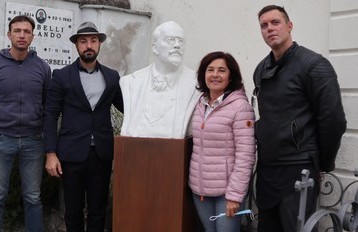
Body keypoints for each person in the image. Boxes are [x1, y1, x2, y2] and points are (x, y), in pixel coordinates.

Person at [253, 5, 347, 232]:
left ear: (289, 26)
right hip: (267, 168)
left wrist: (323, 163)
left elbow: (333, 120)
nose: (270, 29)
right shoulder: (260, 69)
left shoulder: (314, 65)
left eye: (275, 22)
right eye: (264, 25)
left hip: (299, 168)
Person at [43, 21, 123, 232]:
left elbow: (128, 108)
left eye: (93, 41)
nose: (89, 45)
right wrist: (51, 153)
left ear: (99, 44)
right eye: (83, 41)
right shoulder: (61, 76)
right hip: (70, 155)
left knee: (98, 209)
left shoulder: (112, 77)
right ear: (77, 45)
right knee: (73, 210)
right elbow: (50, 115)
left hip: (102, 154)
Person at [0, 15, 51, 231]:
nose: (21, 35)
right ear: (9, 34)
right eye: (17, 31)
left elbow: (47, 105)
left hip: (33, 141)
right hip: (1, 139)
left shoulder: (42, 68)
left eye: (26, 31)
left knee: (33, 197)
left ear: (32, 36)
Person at [189, 51, 256, 232]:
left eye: (221, 70)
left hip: (226, 193)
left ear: (230, 76)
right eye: (210, 70)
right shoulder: (199, 103)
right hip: (200, 189)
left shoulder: (240, 107)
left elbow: (246, 155)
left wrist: (234, 196)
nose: (215, 75)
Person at [120, 21, 200, 138]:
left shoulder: (197, 84)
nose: (177, 45)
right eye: (171, 40)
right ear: (155, 48)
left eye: (181, 41)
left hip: (175, 152)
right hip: (134, 150)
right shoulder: (131, 82)